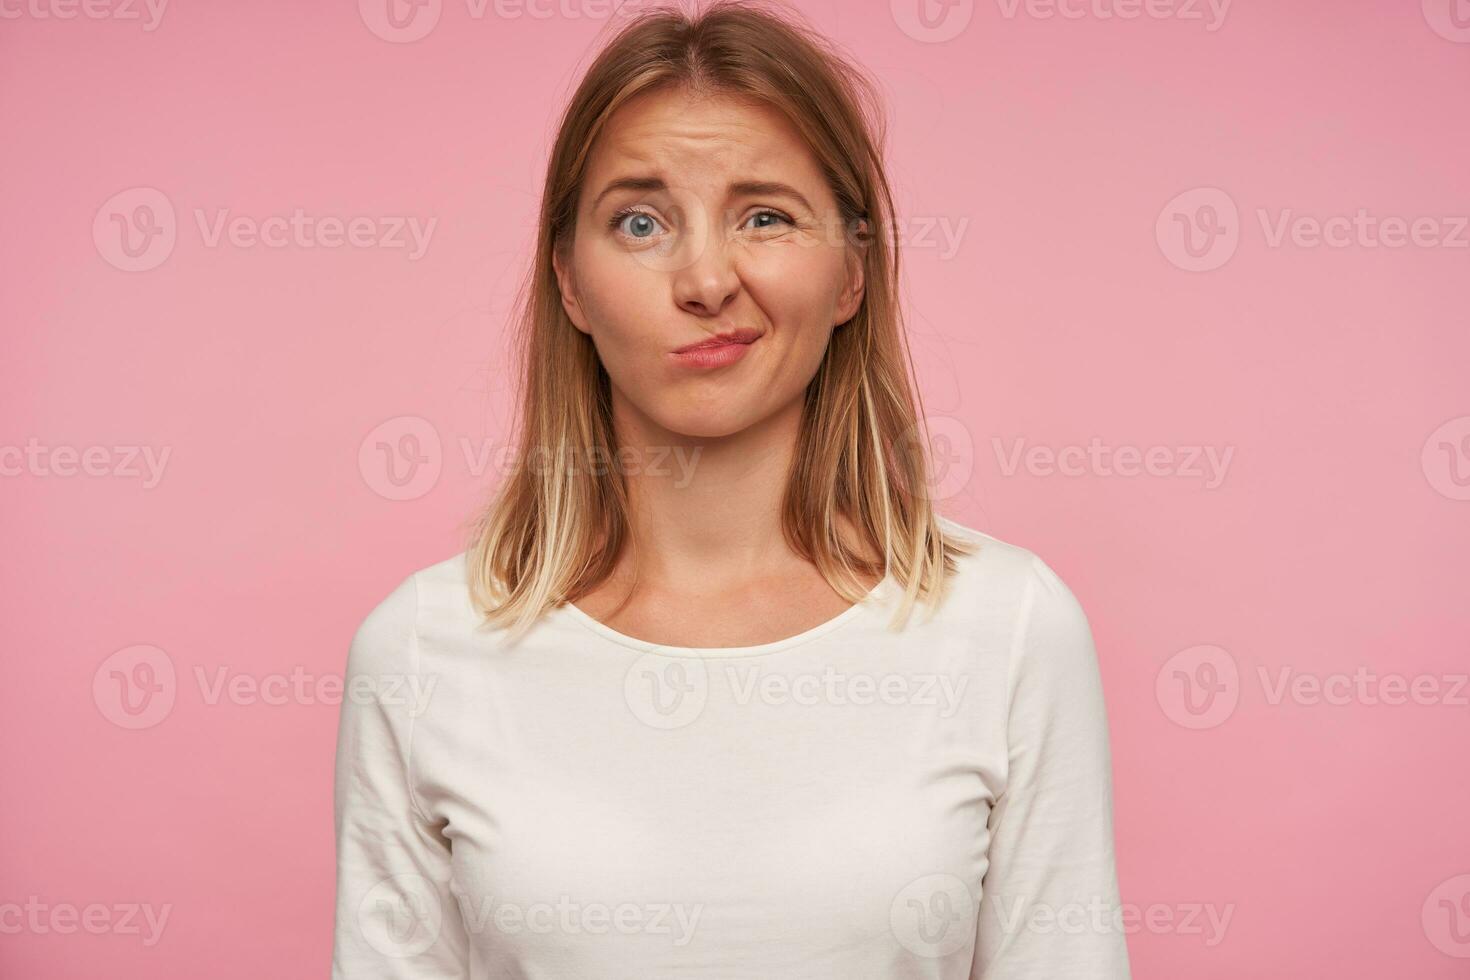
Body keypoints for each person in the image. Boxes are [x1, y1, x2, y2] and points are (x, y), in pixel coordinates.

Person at [330, 2, 1130, 977]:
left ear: (850, 271)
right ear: (571, 281)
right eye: (640, 220)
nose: (706, 278)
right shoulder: (420, 649)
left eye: (765, 215)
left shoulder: (1011, 628)